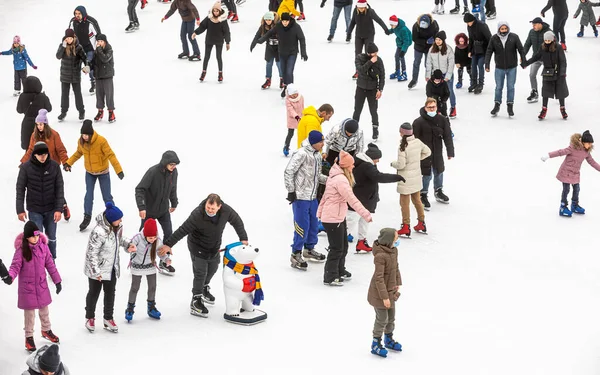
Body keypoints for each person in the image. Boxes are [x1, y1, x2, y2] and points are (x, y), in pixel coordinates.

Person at [161, 194, 248, 317]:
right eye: (208, 207)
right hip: (197, 247)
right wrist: (169, 244)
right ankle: (196, 299)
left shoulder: (226, 211)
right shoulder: (197, 215)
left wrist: (243, 238)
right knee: (200, 273)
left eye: (212, 208)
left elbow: (237, 221)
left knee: (213, 268)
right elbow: (183, 229)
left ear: (219, 206)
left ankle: (204, 288)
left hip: (214, 248)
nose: (209, 210)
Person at [318, 151, 372, 286]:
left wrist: (319, 213)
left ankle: (340, 270)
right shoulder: (340, 180)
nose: (353, 167)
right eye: (351, 165)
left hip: (337, 216)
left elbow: (325, 197)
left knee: (344, 246)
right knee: (336, 248)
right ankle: (330, 276)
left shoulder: (337, 176)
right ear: (346, 166)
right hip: (333, 218)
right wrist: (365, 213)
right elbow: (352, 200)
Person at [7, 221, 62, 352]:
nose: (36, 238)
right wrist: (10, 277)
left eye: (37, 235)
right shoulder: (21, 250)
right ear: (27, 237)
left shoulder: (43, 247)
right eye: (33, 236)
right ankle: (29, 337)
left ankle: (46, 330)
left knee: (44, 311)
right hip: (28, 289)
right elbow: (15, 266)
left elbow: (50, 265)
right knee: (30, 315)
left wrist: (57, 281)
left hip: (41, 286)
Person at [64, 121, 123, 232]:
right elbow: (78, 153)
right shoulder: (81, 142)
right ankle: (87, 216)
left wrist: (118, 170)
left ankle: (114, 217)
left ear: (91, 134)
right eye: (83, 134)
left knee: (107, 197)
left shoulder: (101, 141)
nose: (84, 137)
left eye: (86, 135)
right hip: (90, 173)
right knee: (88, 195)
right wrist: (69, 163)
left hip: (103, 172)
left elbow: (111, 155)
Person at [84, 202, 134, 334]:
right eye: (119, 219)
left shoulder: (117, 227)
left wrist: (128, 244)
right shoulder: (98, 232)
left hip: (111, 268)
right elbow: (91, 253)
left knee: (110, 293)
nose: (121, 220)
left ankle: (108, 318)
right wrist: (95, 272)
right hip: (98, 270)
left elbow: (119, 239)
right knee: (94, 294)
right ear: (111, 220)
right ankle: (90, 317)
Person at [348, 143, 405, 252]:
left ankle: (361, 242)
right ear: (372, 157)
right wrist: (396, 177)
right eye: (377, 159)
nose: (378, 161)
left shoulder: (366, 162)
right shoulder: (366, 166)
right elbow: (379, 177)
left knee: (364, 221)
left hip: (366, 199)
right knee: (350, 222)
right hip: (360, 199)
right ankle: (338, 244)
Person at [284, 131, 328, 270]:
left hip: (312, 196)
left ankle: (308, 249)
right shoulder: (301, 153)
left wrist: (330, 180)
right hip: (300, 197)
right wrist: (291, 191)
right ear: (313, 142)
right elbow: (288, 172)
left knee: (314, 224)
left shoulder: (317, 155)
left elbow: (317, 175)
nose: (323, 144)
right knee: (302, 226)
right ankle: (295, 253)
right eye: (320, 142)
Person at [16, 142, 65, 260]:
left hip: (51, 209)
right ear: (34, 155)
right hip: (35, 210)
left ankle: (51, 262)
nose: (43, 157)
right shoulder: (25, 168)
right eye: (40, 155)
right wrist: (20, 210)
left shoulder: (54, 166)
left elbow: (59, 188)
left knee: (51, 238)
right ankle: (40, 264)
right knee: (37, 239)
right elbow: (20, 189)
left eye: (45, 154)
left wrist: (59, 209)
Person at [20, 110, 71, 222]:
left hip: (53, 166)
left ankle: (63, 206)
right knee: (46, 189)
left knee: (56, 188)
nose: (39, 127)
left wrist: (66, 162)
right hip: (39, 166)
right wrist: (24, 162)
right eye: (37, 125)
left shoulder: (54, 135)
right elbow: (30, 150)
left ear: (45, 124)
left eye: (41, 124)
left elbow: (61, 149)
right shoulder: (34, 135)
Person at [135, 150, 180, 275]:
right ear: (165, 163)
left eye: (175, 165)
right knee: (143, 236)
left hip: (163, 210)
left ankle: (163, 260)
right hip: (149, 210)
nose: (173, 167)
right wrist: (141, 207)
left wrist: (174, 202)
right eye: (171, 164)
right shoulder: (153, 172)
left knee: (169, 234)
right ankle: (139, 259)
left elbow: (173, 188)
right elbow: (140, 189)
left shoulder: (174, 172)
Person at [541, 131, 600, 217]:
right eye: (589, 143)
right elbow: (560, 152)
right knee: (566, 189)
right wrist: (548, 155)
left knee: (577, 189)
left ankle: (574, 205)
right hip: (566, 172)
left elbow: (592, 162)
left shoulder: (586, 152)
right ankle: (563, 207)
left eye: (591, 144)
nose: (590, 145)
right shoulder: (573, 148)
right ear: (583, 142)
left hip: (575, 173)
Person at [412, 98, 454, 211]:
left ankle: (438, 190)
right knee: (427, 174)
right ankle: (423, 194)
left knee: (439, 171)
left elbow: (447, 136)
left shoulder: (442, 120)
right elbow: (413, 140)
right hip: (424, 154)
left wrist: (450, 152)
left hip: (437, 152)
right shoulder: (418, 122)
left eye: (434, 107)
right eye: (430, 107)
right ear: (425, 108)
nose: (432, 109)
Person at [125, 219, 170, 322]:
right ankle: (130, 308)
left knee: (153, 287)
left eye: (154, 237)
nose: (152, 240)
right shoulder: (137, 238)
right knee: (135, 287)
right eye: (150, 238)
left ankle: (151, 308)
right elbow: (128, 246)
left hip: (150, 266)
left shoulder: (157, 240)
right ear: (145, 234)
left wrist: (166, 259)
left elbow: (160, 252)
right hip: (137, 266)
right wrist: (129, 249)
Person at [391, 123, 431, 237]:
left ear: (402, 133)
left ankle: (405, 226)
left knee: (404, 203)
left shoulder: (402, 147)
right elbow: (428, 151)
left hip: (405, 179)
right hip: (416, 177)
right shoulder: (418, 142)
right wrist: (417, 159)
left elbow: (401, 165)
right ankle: (421, 222)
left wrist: (393, 164)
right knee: (417, 201)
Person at [367, 228, 402, 358]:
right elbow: (379, 278)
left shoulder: (394, 251)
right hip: (380, 293)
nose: (397, 240)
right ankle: (375, 343)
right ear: (389, 240)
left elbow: (396, 268)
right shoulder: (381, 256)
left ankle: (388, 338)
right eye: (395, 238)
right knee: (382, 319)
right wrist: (384, 297)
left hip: (391, 290)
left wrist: (397, 282)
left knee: (391, 318)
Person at [255, 12, 307, 98]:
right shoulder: (279, 26)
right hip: (282, 53)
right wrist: (261, 40)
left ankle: (290, 91)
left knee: (289, 71)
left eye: (286, 21)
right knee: (283, 72)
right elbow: (270, 33)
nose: (285, 23)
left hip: (292, 53)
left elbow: (302, 39)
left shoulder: (296, 27)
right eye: (283, 21)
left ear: (289, 20)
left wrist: (303, 52)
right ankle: (286, 86)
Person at [522, 31, 569, 120]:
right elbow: (536, 57)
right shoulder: (542, 47)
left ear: (552, 39)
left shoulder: (558, 47)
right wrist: (526, 63)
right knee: (545, 92)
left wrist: (563, 72)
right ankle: (544, 109)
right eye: (546, 40)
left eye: (549, 40)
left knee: (560, 92)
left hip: (558, 73)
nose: (547, 42)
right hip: (547, 72)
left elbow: (563, 61)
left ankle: (562, 108)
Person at [485, 21, 525, 117]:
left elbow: (521, 49)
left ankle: (510, 105)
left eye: (505, 29)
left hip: (512, 67)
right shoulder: (494, 38)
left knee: (510, 87)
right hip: (499, 67)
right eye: (502, 29)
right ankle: (497, 105)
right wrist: (487, 64)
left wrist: (523, 60)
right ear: (499, 29)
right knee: (498, 87)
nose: (504, 30)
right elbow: (489, 51)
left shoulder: (514, 37)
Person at [347, 0, 388, 78]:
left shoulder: (370, 12)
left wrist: (385, 29)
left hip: (369, 35)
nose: (361, 9)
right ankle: (358, 71)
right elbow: (353, 22)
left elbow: (379, 20)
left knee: (368, 53)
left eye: (363, 8)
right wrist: (349, 33)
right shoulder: (355, 11)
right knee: (358, 54)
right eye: (360, 8)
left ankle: (369, 71)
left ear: (365, 7)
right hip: (359, 35)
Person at [192, 2, 231, 83]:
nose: (215, 13)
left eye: (217, 11)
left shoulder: (223, 20)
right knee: (206, 57)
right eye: (214, 11)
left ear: (220, 11)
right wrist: (195, 32)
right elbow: (202, 27)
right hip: (209, 40)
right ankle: (203, 72)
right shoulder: (209, 18)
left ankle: (220, 73)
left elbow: (226, 32)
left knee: (219, 57)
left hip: (219, 41)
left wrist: (227, 42)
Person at [56, 29, 89, 122]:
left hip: (75, 75)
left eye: (70, 38)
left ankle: (81, 111)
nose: (69, 40)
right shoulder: (62, 46)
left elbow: (85, 58)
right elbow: (58, 56)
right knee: (64, 95)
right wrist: (63, 46)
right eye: (67, 38)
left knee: (78, 94)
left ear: (74, 37)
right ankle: (63, 112)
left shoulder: (78, 47)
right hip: (65, 75)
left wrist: (86, 67)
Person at [353, 42, 385, 140]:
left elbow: (382, 76)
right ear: (369, 53)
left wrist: (380, 89)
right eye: (374, 53)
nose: (376, 55)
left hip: (372, 89)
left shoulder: (379, 61)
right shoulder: (360, 58)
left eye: (376, 53)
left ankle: (375, 129)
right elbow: (361, 70)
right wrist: (371, 62)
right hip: (361, 88)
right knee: (357, 110)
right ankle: (353, 129)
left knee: (373, 111)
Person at [68, 6, 101, 95]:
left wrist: (100, 46)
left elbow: (98, 34)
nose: (77, 15)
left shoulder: (91, 22)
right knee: (75, 67)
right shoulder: (73, 21)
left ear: (83, 13)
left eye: (79, 13)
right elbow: (69, 34)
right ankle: (76, 85)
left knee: (89, 66)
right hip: (78, 49)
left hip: (89, 48)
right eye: (76, 13)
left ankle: (94, 83)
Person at [425, 31, 456, 118]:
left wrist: (447, 76)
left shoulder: (448, 50)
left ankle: (453, 107)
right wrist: (428, 75)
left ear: (443, 40)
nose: (438, 41)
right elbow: (428, 63)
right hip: (435, 75)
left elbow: (451, 64)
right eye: (436, 39)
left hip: (445, 74)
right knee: (434, 93)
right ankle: (436, 109)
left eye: (439, 39)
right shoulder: (431, 49)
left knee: (448, 91)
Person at [16, 77, 52, 151]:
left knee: (28, 148)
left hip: (26, 123)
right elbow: (49, 108)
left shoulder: (22, 96)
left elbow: (19, 110)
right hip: (41, 124)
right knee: (41, 149)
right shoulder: (42, 96)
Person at [250, 11, 283, 90]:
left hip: (279, 48)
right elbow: (257, 35)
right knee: (269, 64)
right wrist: (253, 44)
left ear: (272, 19)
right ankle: (268, 80)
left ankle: (282, 79)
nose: (268, 21)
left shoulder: (278, 25)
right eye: (266, 20)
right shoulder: (263, 26)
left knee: (279, 64)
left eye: (269, 20)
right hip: (269, 48)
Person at [523, 17, 552, 103]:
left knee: (549, 77)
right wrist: (523, 55)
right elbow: (527, 44)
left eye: (535, 24)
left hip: (547, 59)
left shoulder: (549, 32)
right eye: (532, 25)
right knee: (532, 75)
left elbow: (555, 45)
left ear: (540, 24)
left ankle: (555, 91)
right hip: (536, 58)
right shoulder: (532, 32)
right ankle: (534, 92)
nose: (533, 26)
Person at [408, 14, 439, 89]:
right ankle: (414, 80)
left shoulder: (434, 24)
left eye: (425, 25)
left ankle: (430, 80)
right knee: (416, 63)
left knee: (427, 64)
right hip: (418, 47)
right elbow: (414, 38)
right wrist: (426, 41)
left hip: (429, 48)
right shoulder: (416, 26)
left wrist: (434, 40)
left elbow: (437, 35)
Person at [464, 12, 491, 94]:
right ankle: (474, 83)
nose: (468, 24)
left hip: (483, 49)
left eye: (469, 22)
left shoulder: (482, 25)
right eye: (467, 23)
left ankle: (480, 84)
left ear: (472, 20)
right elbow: (471, 39)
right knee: (473, 66)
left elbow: (490, 38)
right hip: (475, 49)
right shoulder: (469, 26)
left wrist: (488, 52)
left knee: (480, 65)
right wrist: (469, 50)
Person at [92, 34, 116, 123]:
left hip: (107, 76)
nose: (99, 43)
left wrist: (98, 50)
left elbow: (105, 59)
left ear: (105, 42)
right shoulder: (97, 51)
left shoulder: (109, 50)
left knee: (109, 95)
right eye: (98, 41)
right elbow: (94, 62)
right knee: (99, 95)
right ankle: (100, 111)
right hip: (98, 76)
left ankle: (111, 112)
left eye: (101, 41)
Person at [388, 15, 412, 82]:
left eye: (392, 25)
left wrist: (403, 51)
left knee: (401, 57)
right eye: (390, 25)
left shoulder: (403, 29)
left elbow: (406, 41)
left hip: (405, 43)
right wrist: (388, 31)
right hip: (400, 42)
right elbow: (393, 30)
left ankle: (404, 73)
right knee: (396, 56)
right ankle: (397, 71)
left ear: (395, 24)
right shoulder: (395, 26)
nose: (391, 27)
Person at [283, 84, 304, 156]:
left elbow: (302, 107)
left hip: (300, 118)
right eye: (292, 95)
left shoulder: (301, 97)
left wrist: (303, 114)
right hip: (292, 119)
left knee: (301, 133)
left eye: (295, 94)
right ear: (289, 94)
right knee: (290, 133)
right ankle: (286, 146)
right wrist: (296, 116)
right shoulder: (288, 100)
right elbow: (290, 110)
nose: (294, 96)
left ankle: (302, 147)